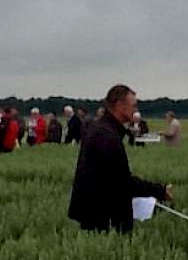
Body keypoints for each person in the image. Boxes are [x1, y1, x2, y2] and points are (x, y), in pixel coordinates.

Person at [68, 84, 174, 233]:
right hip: (102, 217)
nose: (135, 110)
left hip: (93, 213)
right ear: (119, 105)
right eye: (133, 106)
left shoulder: (100, 129)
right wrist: (159, 191)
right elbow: (122, 182)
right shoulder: (107, 136)